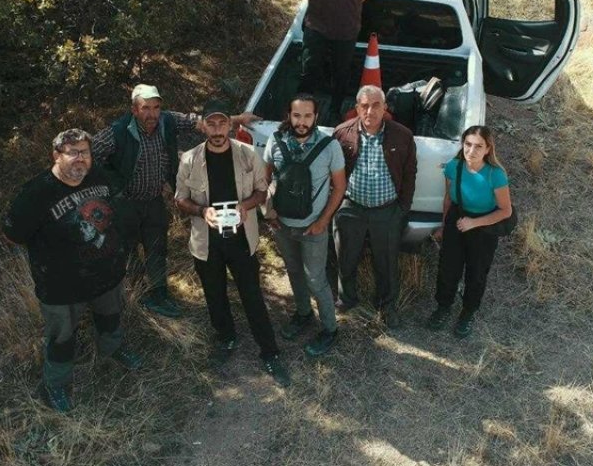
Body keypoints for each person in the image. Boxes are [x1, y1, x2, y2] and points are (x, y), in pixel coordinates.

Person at [3, 129, 144, 413]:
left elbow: (112, 210)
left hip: (104, 273)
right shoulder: (37, 192)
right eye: (73, 153)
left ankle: (113, 350)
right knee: (61, 337)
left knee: (110, 316)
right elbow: (12, 235)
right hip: (60, 284)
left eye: (85, 152)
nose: (80, 159)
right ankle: (55, 385)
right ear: (56, 155)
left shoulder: (98, 176)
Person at [92, 84, 255, 318]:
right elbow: (89, 153)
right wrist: (106, 185)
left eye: (156, 107)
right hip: (125, 203)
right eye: (145, 108)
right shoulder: (117, 131)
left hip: (154, 200)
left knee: (157, 248)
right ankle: (139, 292)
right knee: (128, 250)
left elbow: (198, 121)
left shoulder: (166, 121)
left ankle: (159, 295)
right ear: (134, 109)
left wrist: (238, 119)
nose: (152, 114)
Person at [175, 101, 292, 387]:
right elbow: (180, 200)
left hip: (241, 240)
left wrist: (245, 206)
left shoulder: (248, 154)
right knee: (215, 295)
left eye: (222, 123)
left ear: (231, 124)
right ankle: (226, 338)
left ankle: (270, 352)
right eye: (211, 124)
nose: (217, 130)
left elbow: (262, 192)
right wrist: (203, 211)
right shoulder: (189, 159)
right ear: (203, 126)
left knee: (252, 296)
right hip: (206, 242)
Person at [263, 94, 346, 356]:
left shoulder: (329, 146)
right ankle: (303, 313)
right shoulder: (275, 142)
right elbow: (264, 180)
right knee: (294, 272)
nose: (302, 122)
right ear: (289, 115)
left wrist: (323, 222)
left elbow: (339, 186)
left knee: (316, 279)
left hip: (313, 228)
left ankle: (330, 329)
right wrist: (269, 212)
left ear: (316, 117)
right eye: (296, 115)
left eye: (307, 116)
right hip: (282, 226)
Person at [332, 85, 417, 329]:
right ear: (357, 108)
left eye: (376, 105)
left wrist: (403, 208)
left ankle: (387, 305)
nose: (370, 110)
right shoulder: (341, 134)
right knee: (345, 257)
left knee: (387, 261)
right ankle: (346, 299)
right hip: (351, 207)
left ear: (385, 108)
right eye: (365, 105)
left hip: (387, 210)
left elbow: (410, 173)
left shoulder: (402, 135)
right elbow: (331, 171)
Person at [426, 125, 513, 338]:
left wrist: (475, 223)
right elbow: (449, 198)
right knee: (448, 267)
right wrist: (444, 225)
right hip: (457, 219)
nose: (471, 151)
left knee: (476, 272)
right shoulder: (453, 167)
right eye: (467, 144)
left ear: (487, 149)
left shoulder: (496, 175)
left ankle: (468, 312)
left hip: (484, 226)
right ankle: (443, 306)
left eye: (478, 146)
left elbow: (505, 211)